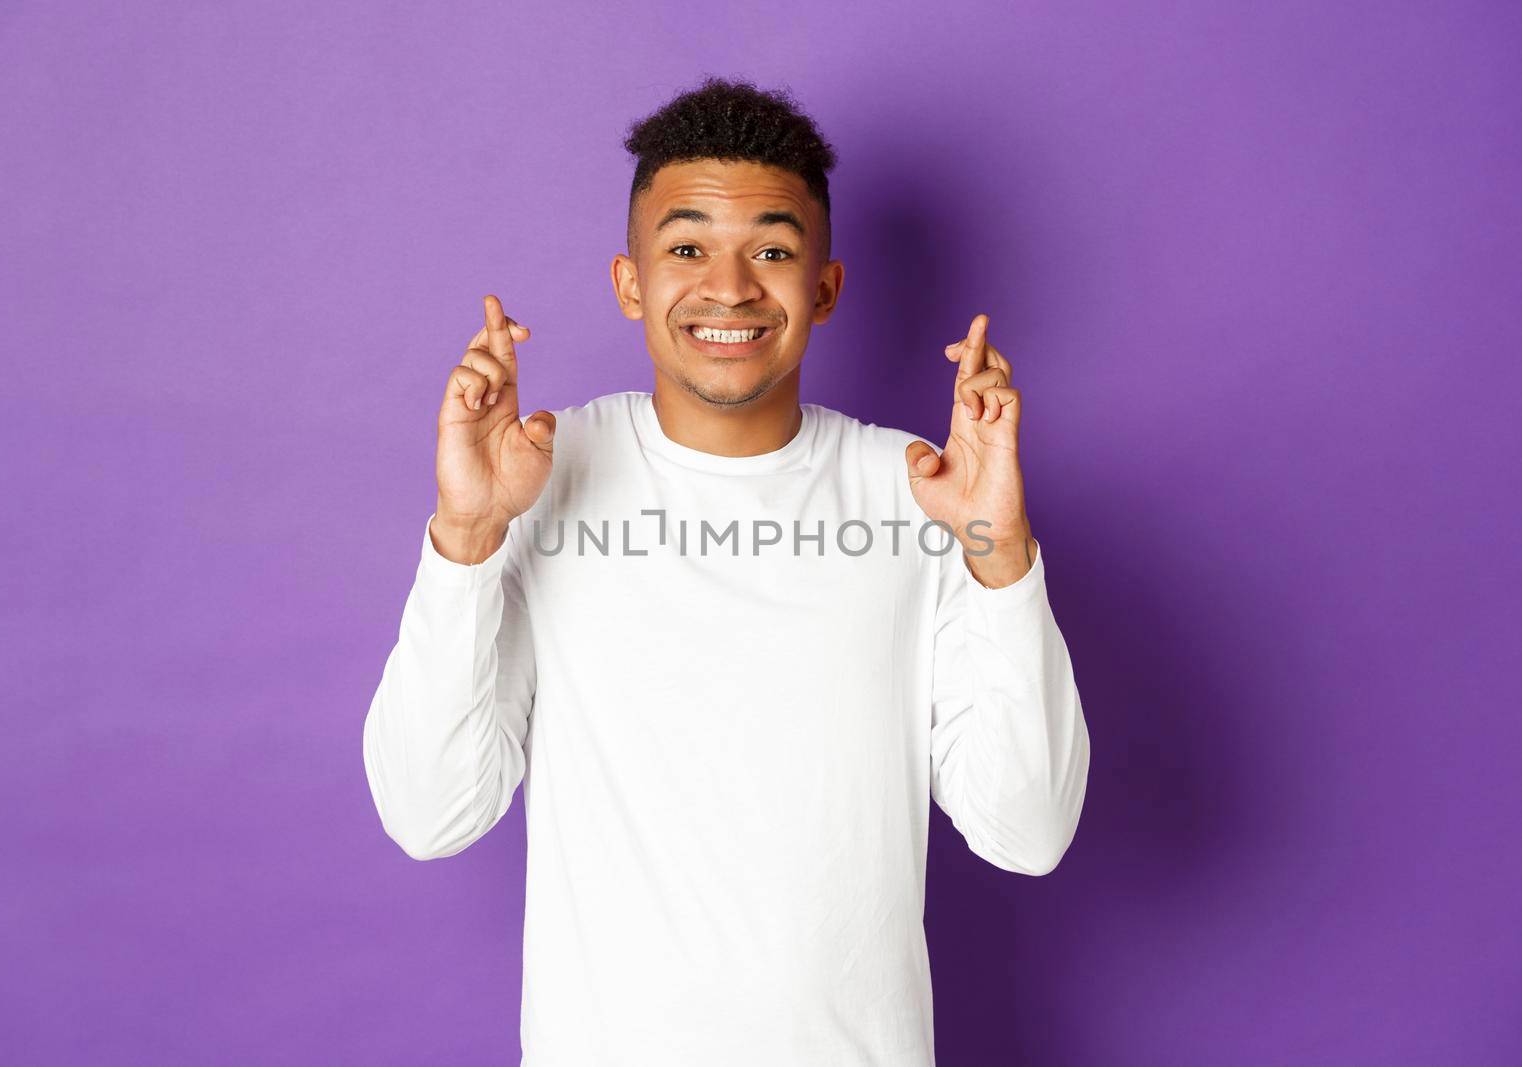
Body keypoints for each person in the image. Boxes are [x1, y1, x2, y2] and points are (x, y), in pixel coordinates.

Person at [362, 75, 1091, 1066]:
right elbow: (429, 812)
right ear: (631, 281)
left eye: (774, 250)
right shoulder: (535, 475)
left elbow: (1029, 829)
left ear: (824, 287)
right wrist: (466, 533)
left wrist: (1000, 555)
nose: (731, 285)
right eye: (688, 247)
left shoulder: (925, 493)